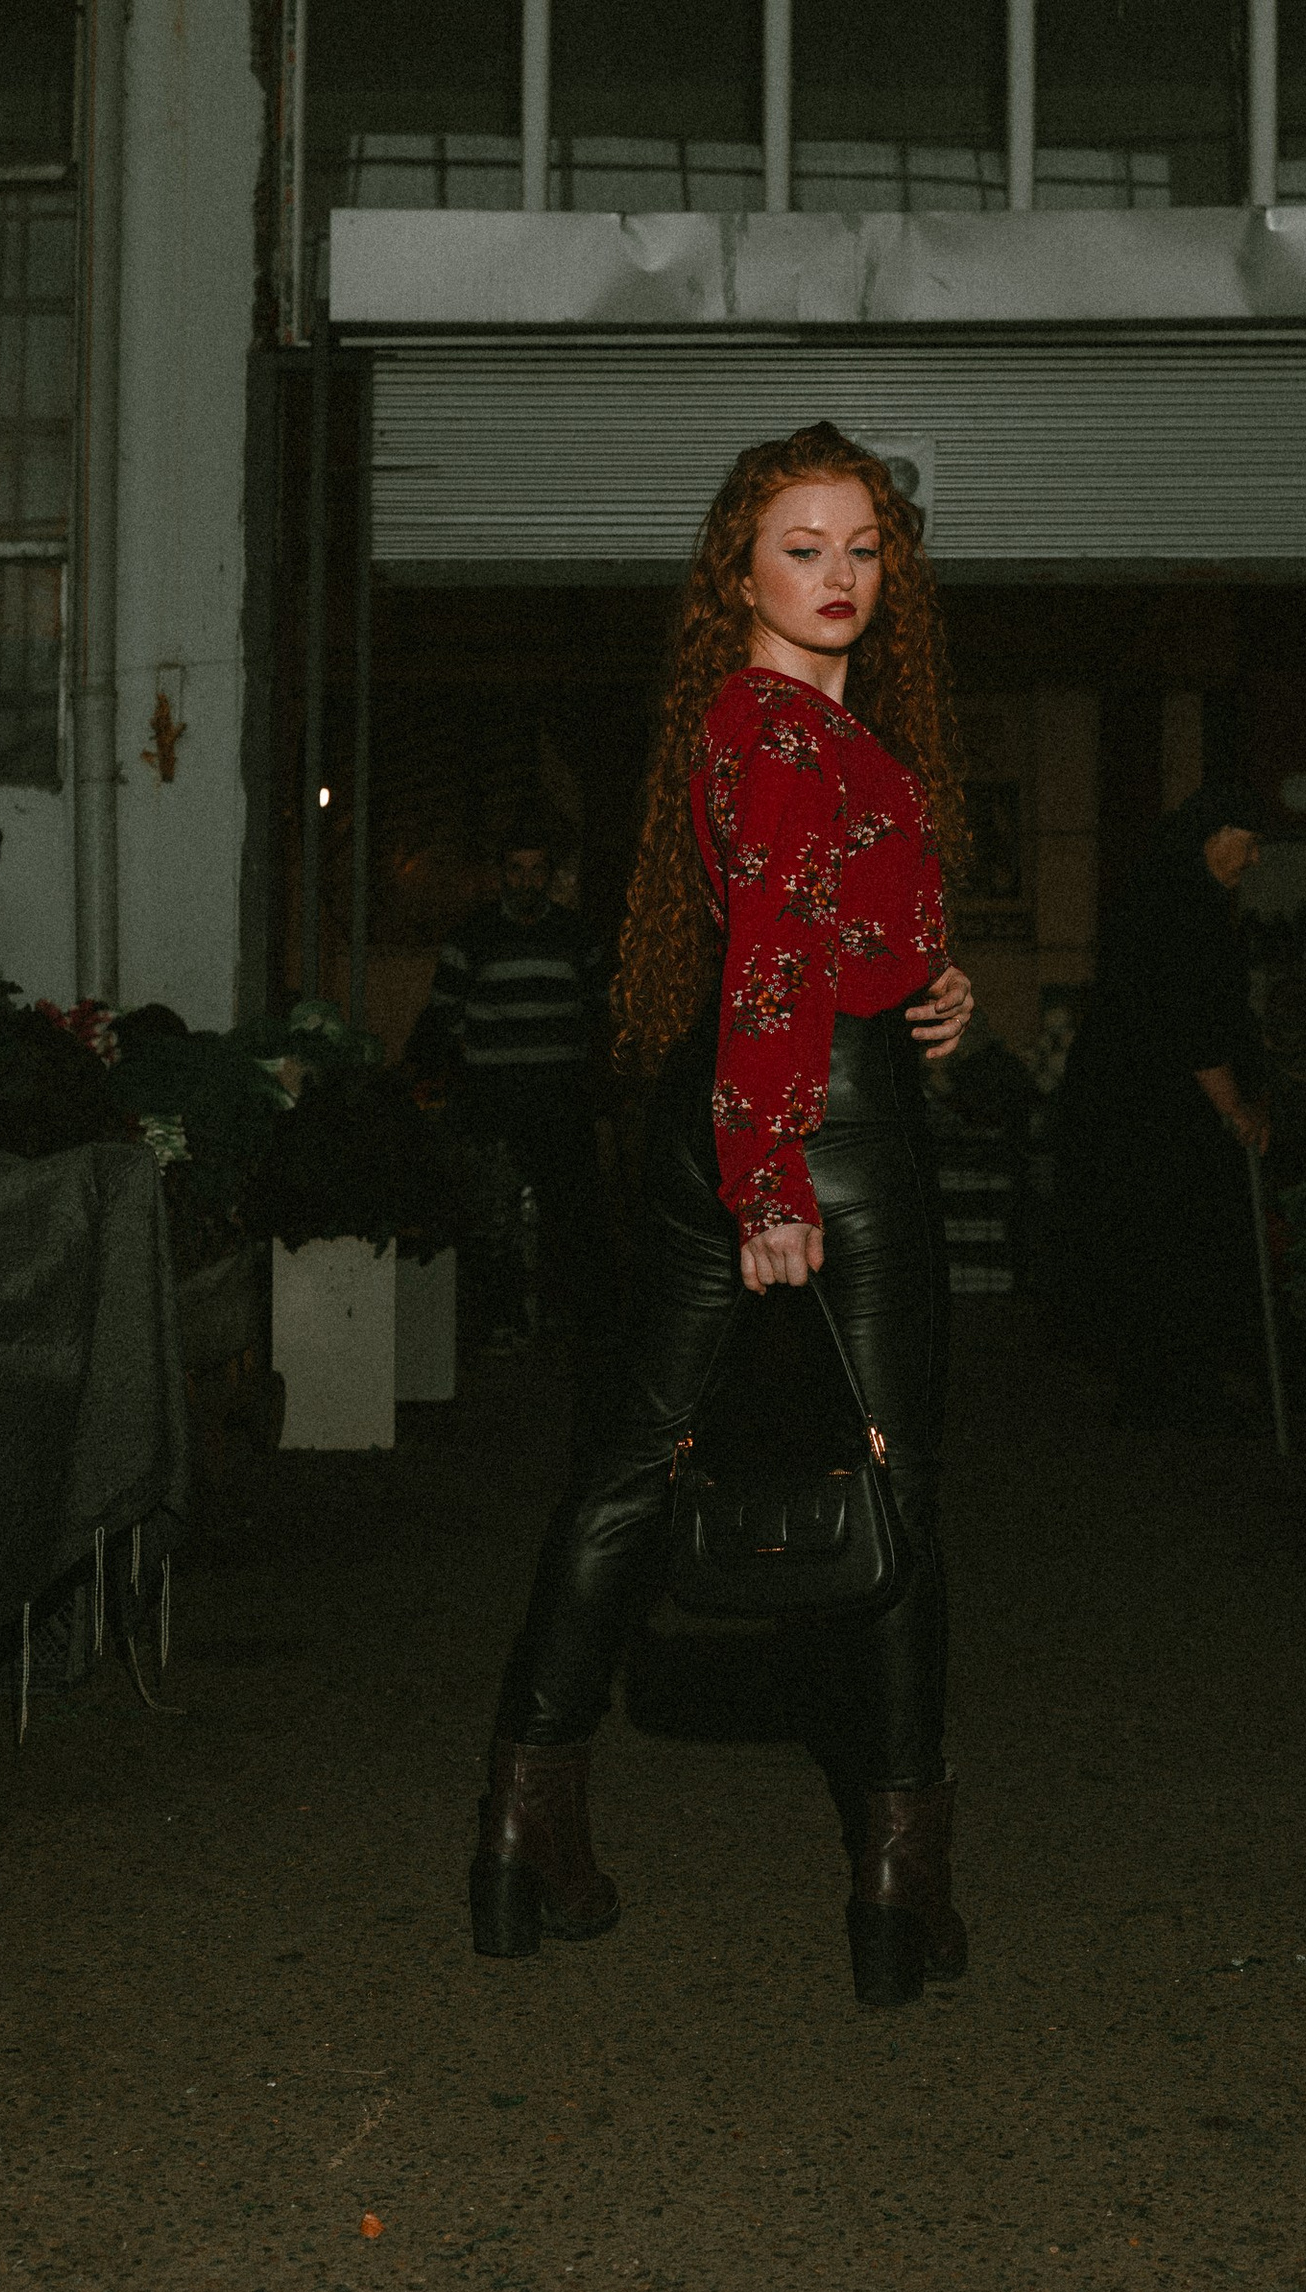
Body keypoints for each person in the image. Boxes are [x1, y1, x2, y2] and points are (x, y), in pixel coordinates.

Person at [467, 422, 977, 2008]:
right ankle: (900, 1884)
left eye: (863, 549)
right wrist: (773, 1182)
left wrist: (934, 986)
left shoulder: (789, 726)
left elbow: (822, 944)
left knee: (627, 1465)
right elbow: (769, 960)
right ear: (738, 574)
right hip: (810, 1123)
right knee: (894, 1487)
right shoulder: (776, 729)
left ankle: (523, 1829)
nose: (838, 576)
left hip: (745, 1102)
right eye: (801, 548)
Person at [1054, 781, 1270, 1432]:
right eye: (1249, 843)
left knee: (1152, 1247)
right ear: (1215, 838)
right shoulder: (1185, 912)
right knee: (1174, 1246)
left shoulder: (1163, 898)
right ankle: (1173, 1390)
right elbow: (1194, 1022)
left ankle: (1159, 1385)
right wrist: (1236, 1107)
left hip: (1136, 1110)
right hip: (1156, 1117)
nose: (1254, 859)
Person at [407, 814, 612, 1354]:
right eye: (517, 870)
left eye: (536, 870)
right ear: (501, 873)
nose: (526, 881)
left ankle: (565, 1320)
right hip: (494, 1097)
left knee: (568, 1212)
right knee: (490, 1210)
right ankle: (497, 1319)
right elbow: (443, 1013)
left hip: (560, 1097)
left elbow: (600, 1014)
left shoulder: (576, 936)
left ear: (550, 875)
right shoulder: (472, 936)